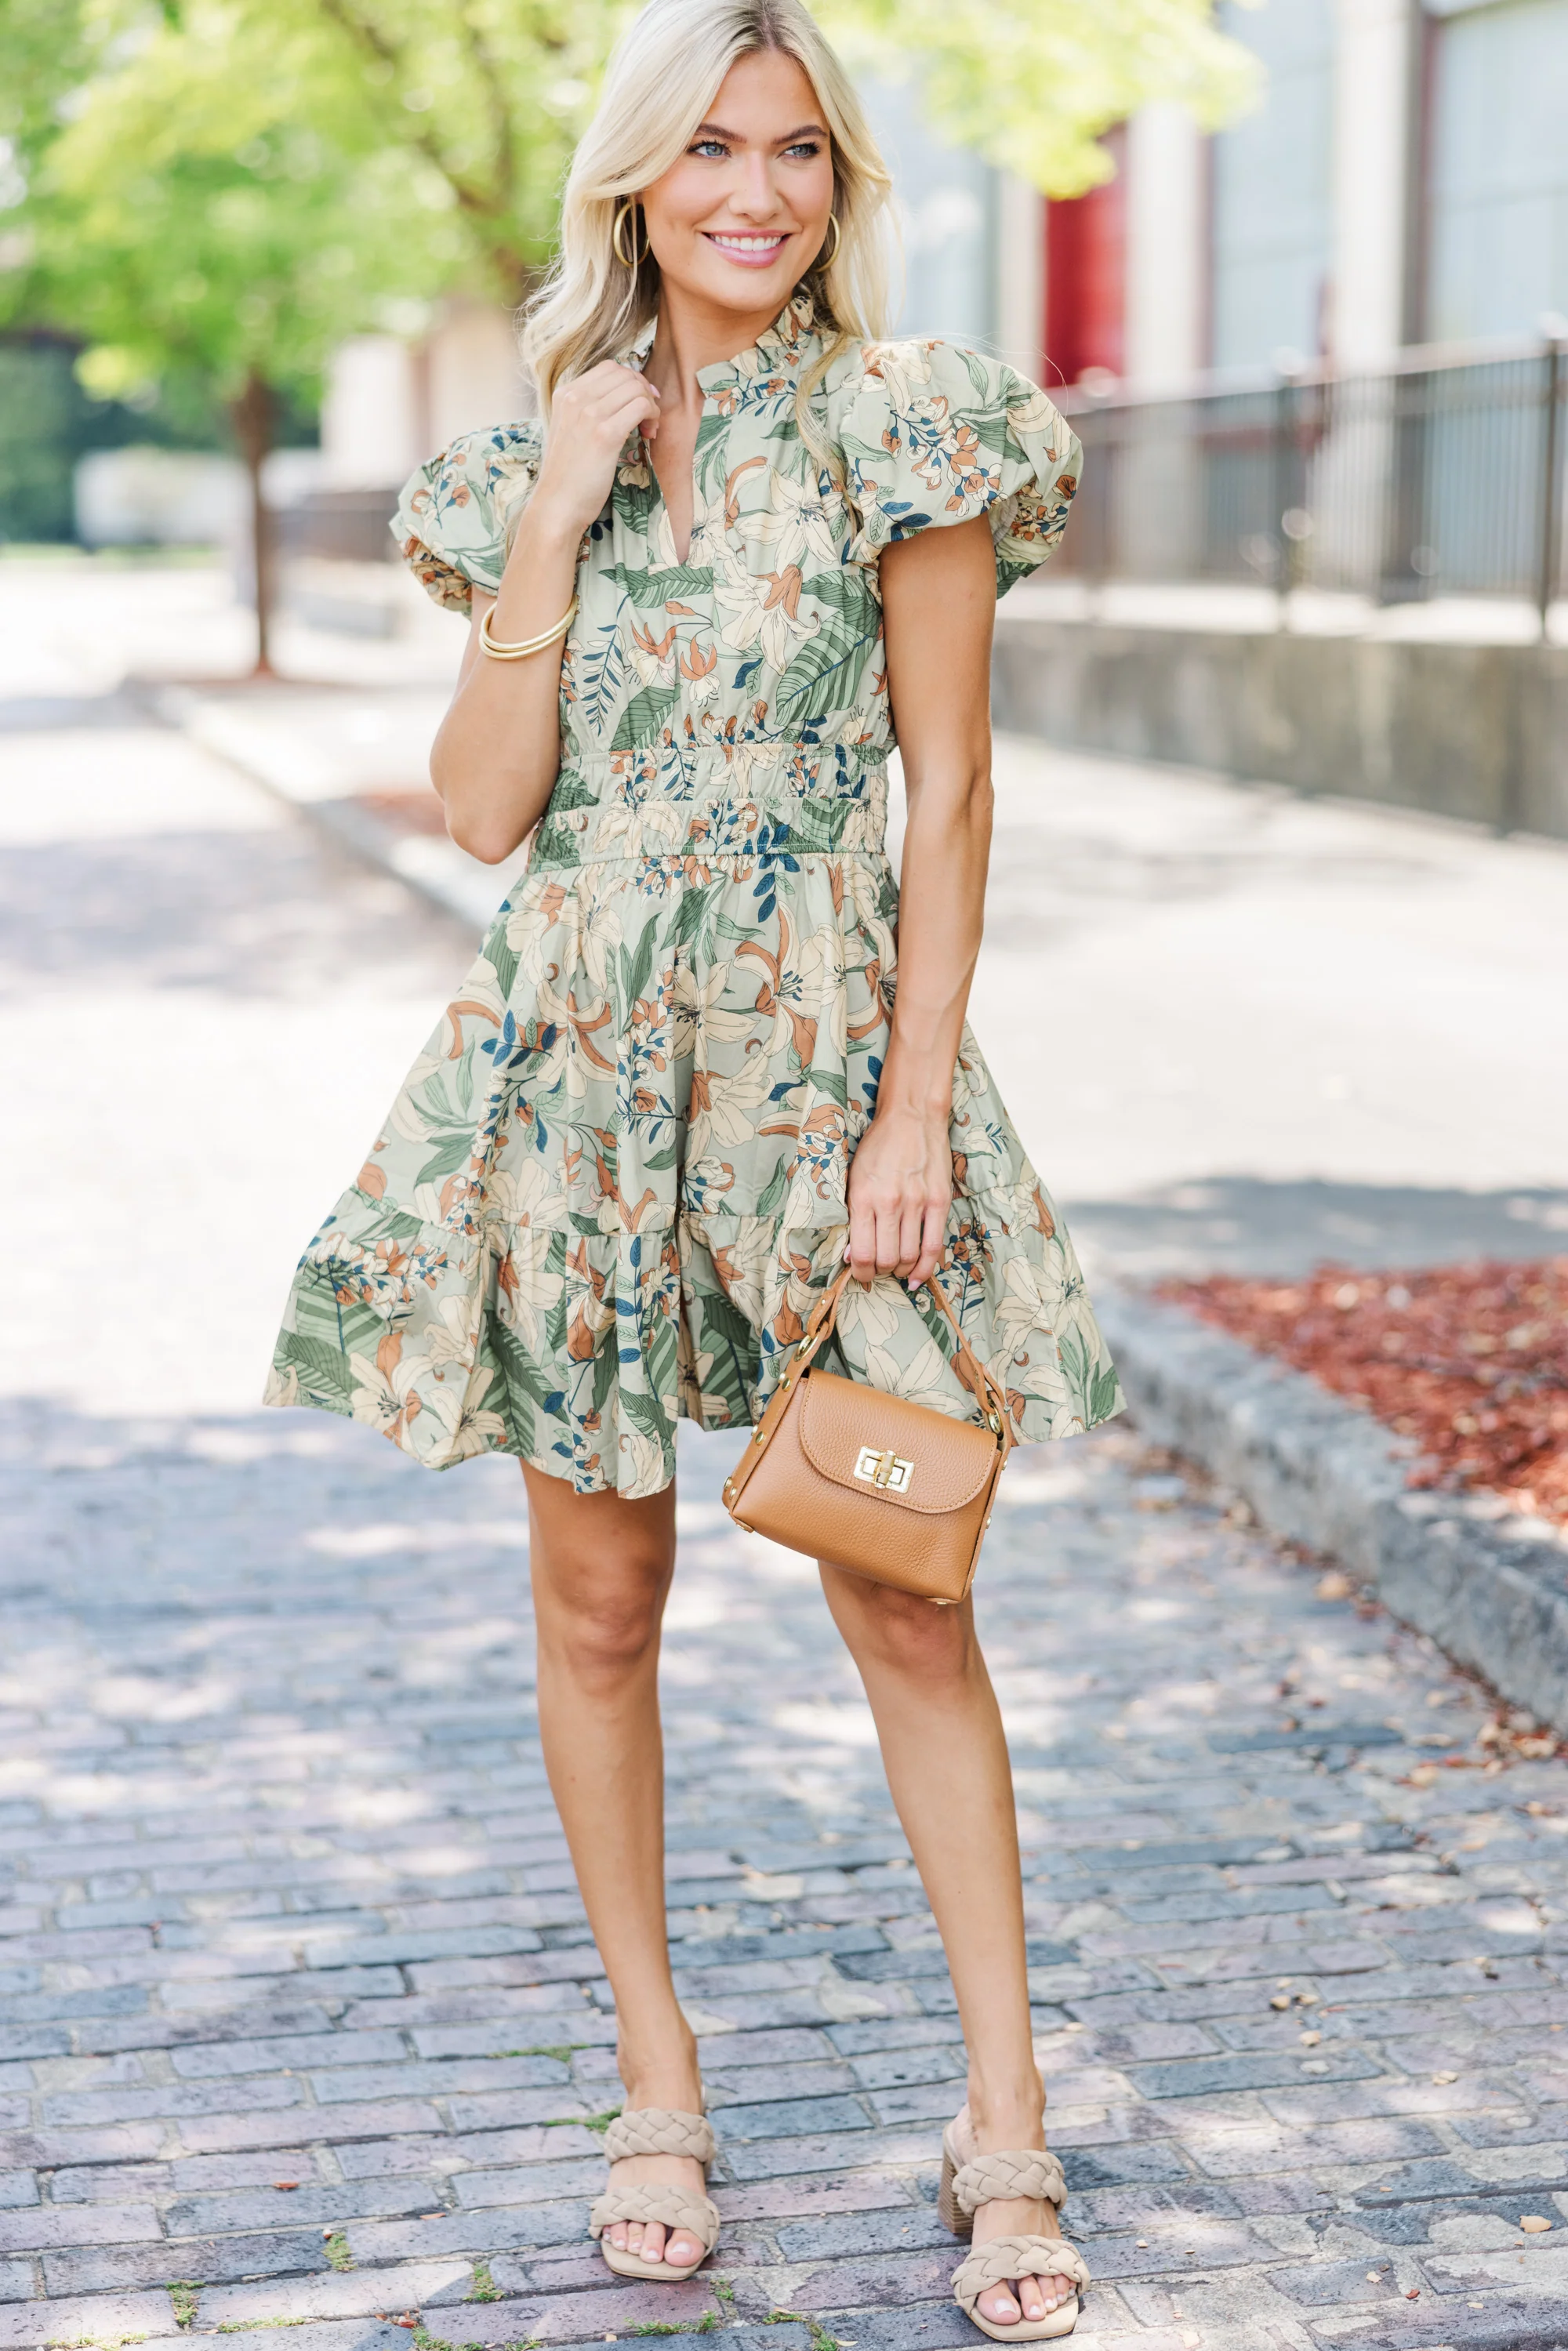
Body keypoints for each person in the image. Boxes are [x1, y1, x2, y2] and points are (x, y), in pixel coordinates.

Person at [267, 0, 1122, 2335]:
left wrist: (914, 1104)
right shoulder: (527, 454)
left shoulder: (905, 426)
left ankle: (1005, 2115)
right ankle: (660, 2071)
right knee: (599, 1604)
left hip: (832, 1074)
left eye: (799, 152)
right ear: (634, 178)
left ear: (841, 183)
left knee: (910, 1582)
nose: (755, 192)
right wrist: (561, 495)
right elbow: (476, 807)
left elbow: (950, 793)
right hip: (578, 1080)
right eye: (712, 150)